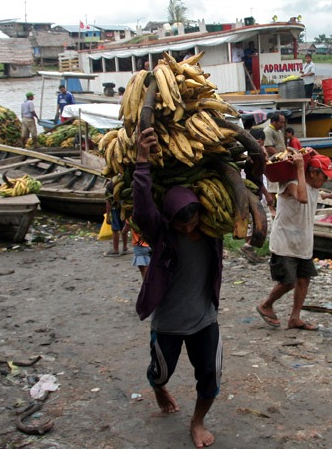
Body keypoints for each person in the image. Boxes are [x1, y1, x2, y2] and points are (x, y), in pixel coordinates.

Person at [133, 127, 223, 448]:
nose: (188, 227)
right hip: (168, 323)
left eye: (192, 220)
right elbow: (143, 206)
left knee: (211, 378)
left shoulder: (214, 228)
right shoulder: (162, 234)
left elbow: (237, 199)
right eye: (181, 223)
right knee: (160, 373)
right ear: (168, 219)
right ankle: (159, 388)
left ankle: (197, 422)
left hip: (204, 319)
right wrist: (142, 160)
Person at [256, 152, 332, 331]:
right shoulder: (291, 183)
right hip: (285, 240)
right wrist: (301, 168)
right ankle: (266, 304)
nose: (325, 181)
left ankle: (295, 317)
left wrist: (315, 155)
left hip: (303, 241)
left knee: (303, 280)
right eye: (323, 176)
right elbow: (302, 198)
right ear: (313, 173)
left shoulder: (314, 184)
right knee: (288, 281)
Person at [240, 128, 272, 264]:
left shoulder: (247, 155)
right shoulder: (255, 157)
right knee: (264, 224)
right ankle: (248, 246)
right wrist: (267, 194)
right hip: (254, 193)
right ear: (259, 141)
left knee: (251, 224)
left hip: (248, 192)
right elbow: (258, 178)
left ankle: (250, 252)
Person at [263, 113, 287, 216]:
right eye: (281, 122)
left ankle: (279, 207)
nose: (283, 124)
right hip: (273, 161)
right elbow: (268, 147)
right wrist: (280, 155)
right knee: (272, 187)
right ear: (274, 121)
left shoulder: (279, 131)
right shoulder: (268, 131)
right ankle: (271, 209)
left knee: (280, 185)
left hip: (281, 160)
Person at [104, 179, 129, 257]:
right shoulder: (125, 182)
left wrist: (108, 215)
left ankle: (116, 250)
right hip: (125, 207)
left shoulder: (110, 185)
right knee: (124, 228)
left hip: (115, 208)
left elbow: (108, 201)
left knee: (115, 229)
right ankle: (125, 248)